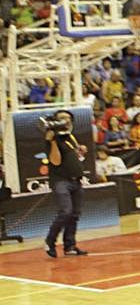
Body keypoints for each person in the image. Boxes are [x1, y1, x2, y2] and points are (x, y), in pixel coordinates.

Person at [43, 110, 88, 258]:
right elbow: (55, 161)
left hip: (76, 180)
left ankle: (70, 246)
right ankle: (50, 241)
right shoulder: (53, 139)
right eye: (62, 118)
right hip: (61, 181)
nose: (66, 121)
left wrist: (79, 151)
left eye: (68, 118)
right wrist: (52, 141)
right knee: (65, 212)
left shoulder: (70, 137)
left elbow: (75, 157)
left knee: (74, 214)